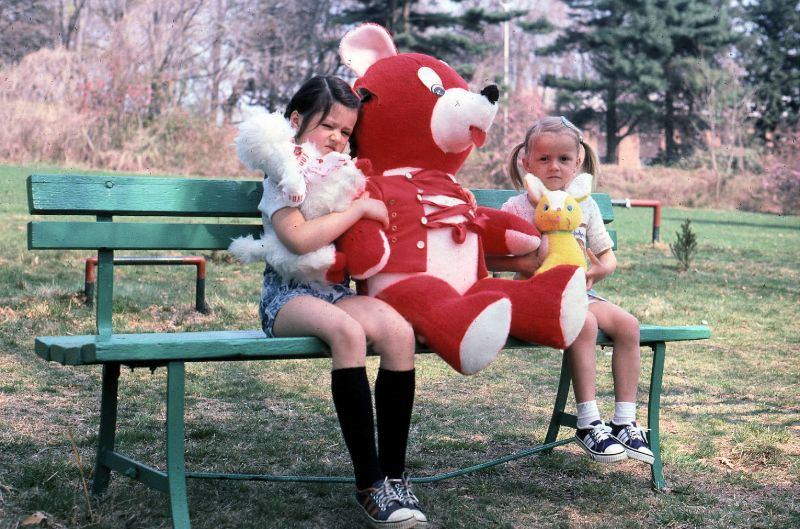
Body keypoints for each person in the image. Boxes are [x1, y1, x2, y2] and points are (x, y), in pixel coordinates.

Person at [254, 76, 425, 528]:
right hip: (286, 297)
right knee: (347, 332)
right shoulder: (284, 173)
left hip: (333, 291)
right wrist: (356, 212)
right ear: (296, 120)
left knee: (399, 333)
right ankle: (369, 484)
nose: (337, 138)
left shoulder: (340, 174)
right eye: (328, 125)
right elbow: (296, 239)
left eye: (347, 132)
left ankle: (394, 476)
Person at [492, 116, 653, 465]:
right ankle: (588, 422)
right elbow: (494, 259)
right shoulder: (519, 207)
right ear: (526, 162)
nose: (554, 167)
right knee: (586, 324)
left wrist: (598, 270)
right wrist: (530, 262)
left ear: (577, 163)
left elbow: (608, 258)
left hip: (580, 292)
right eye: (544, 159)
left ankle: (625, 421)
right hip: (534, 296)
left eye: (564, 159)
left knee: (629, 325)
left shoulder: (585, 205)